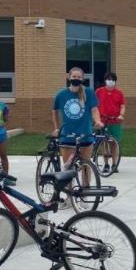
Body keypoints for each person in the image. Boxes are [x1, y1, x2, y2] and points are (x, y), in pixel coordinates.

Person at [52, 67, 104, 207]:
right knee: (68, 168)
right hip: (67, 137)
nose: (76, 79)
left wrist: (97, 120)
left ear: (82, 79)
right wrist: (57, 128)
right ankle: (69, 198)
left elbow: (94, 109)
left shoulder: (89, 93)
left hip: (85, 135)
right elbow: (55, 111)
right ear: (68, 77)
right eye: (74, 76)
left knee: (86, 166)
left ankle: (84, 195)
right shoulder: (61, 95)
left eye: (79, 77)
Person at [95, 71, 126, 173]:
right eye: (109, 79)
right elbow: (94, 106)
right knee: (105, 143)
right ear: (105, 80)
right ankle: (106, 164)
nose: (110, 81)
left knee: (114, 143)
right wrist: (96, 118)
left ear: (115, 81)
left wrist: (121, 115)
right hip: (103, 121)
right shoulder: (99, 91)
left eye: (113, 79)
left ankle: (114, 164)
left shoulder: (119, 93)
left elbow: (122, 106)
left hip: (115, 121)